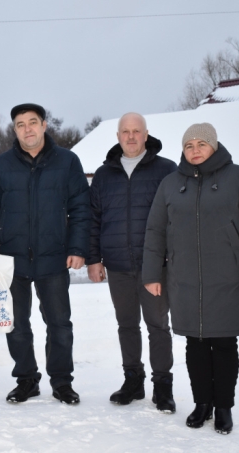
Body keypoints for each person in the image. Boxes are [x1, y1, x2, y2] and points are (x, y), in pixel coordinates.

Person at [142, 123, 239, 434]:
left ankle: (223, 407)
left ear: (213, 146)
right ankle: (202, 403)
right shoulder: (171, 183)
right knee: (195, 344)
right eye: (189, 145)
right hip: (183, 278)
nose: (195, 150)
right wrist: (151, 274)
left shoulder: (238, 177)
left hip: (228, 278)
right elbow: (155, 229)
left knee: (224, 343)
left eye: (202, 143)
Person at [0, 103, 91, 405]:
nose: (27, 129)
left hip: (53, 257)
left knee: (60, 325)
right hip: (11, 259)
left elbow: (81, 208)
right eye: (20, 124)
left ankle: (62, 382)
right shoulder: (1, 166)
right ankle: (26, 380)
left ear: (44, 125)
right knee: (15, 325)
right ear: (14, 130)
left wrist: (78, 248)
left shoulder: (67, 162)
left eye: (32, 122)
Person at [86, 112, 177, 412]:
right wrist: (94, 259)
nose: (131, 136)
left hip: (154, 265)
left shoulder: (166, 170)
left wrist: (171, 258)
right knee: (126, 324)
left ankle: (162, 386)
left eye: (136, 131)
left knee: (158, 326)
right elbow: (94, 219)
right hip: (117, 264)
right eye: (125, 131)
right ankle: (133, 381)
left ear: (146, 134)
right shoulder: (104, 174)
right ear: (117, 136)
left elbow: (176, 219)